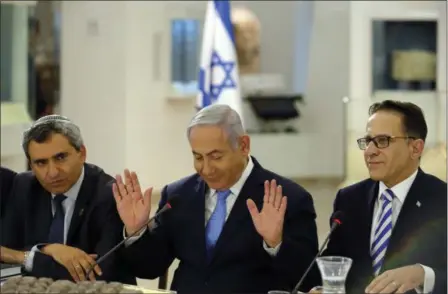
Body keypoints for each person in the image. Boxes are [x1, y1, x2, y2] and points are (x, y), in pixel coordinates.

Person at [115, 104, 319, 293]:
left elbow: (310, 279)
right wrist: (137, 231)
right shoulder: (178, 196)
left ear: (244, 146)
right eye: (198, 157)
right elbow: (150, 268)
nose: (206, 169)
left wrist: (276, 243)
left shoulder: (288, 198)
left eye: (216, 156)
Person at [319, 100, 447, 294]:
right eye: (368, 141)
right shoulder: (349, 199)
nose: (370, 151)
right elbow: (334, 264)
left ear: (416, 148)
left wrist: (423, 275)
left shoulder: (441, 200)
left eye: (383, 141)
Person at [1, 115, 135, 285]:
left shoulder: (109, 194)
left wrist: (26, 258)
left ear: (82, 154)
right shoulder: (24, 186)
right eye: (41, 163)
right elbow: (6, 253)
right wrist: (49, 249)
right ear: (31, 165)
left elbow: (97, 273)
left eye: (60, 158)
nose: (53, 172)